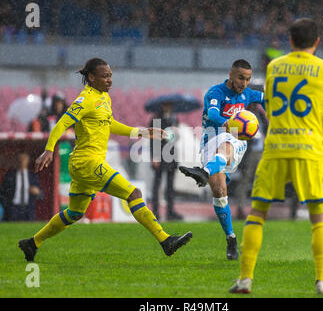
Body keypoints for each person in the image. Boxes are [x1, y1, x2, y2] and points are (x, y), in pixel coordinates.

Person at [18, 58, 192, 262]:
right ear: (91, 78)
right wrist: (48, 150)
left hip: (84, 165)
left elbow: (110, 124)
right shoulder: (85, 99)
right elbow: (60, 125)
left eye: (110, 76)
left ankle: (32, 243)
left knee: (74, 213)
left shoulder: (104, 98)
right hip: (87, 163)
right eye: (104, 76)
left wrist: (143, 132)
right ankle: (166, 241)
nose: (109, 80)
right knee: (133, 193)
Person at [229, 18, 323, 295]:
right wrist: (310, 128)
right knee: (319, 217)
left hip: (276, 148)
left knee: (257, 214)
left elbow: (269, 109)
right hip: (309, 149)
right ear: (316, 41)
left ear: (290, 41)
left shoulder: (274, 67)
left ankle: (245, 279)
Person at [179, 59, 265, 260]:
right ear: (231, 74)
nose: (244, 83)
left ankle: (204, 172)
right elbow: (213, 114)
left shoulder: (249, 93)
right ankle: (231, 238)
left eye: (248, 79)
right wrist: (228, 122)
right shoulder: (215, 93)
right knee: (219, 192)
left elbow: (267, 98)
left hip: (236, 139)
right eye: (241, 78)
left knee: (227, 144)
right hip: (210, 142)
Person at [150, 102, 183, 221]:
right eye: (167, 105)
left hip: (171, 155)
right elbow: (153, 139)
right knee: (157, 185)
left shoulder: (175, 118)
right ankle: (155, 212)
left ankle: (170, 211)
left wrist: (177, 132)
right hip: (160, 156)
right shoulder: (156, 119)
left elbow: (175, 139)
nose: (169, 107)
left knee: (170, 186)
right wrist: (155, 156)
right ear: (163, 106)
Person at [0, 153, 41, 221]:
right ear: (16, 161)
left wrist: (37, 192)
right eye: (19, 159)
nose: (21, 161)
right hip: (12, 210)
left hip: (28, 210)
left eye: (24, 159)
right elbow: (2, 192)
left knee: (29, 231)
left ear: (28, 161)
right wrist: (7, 206)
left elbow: (41, 195)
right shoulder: (10, 175)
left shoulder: (33, 176)